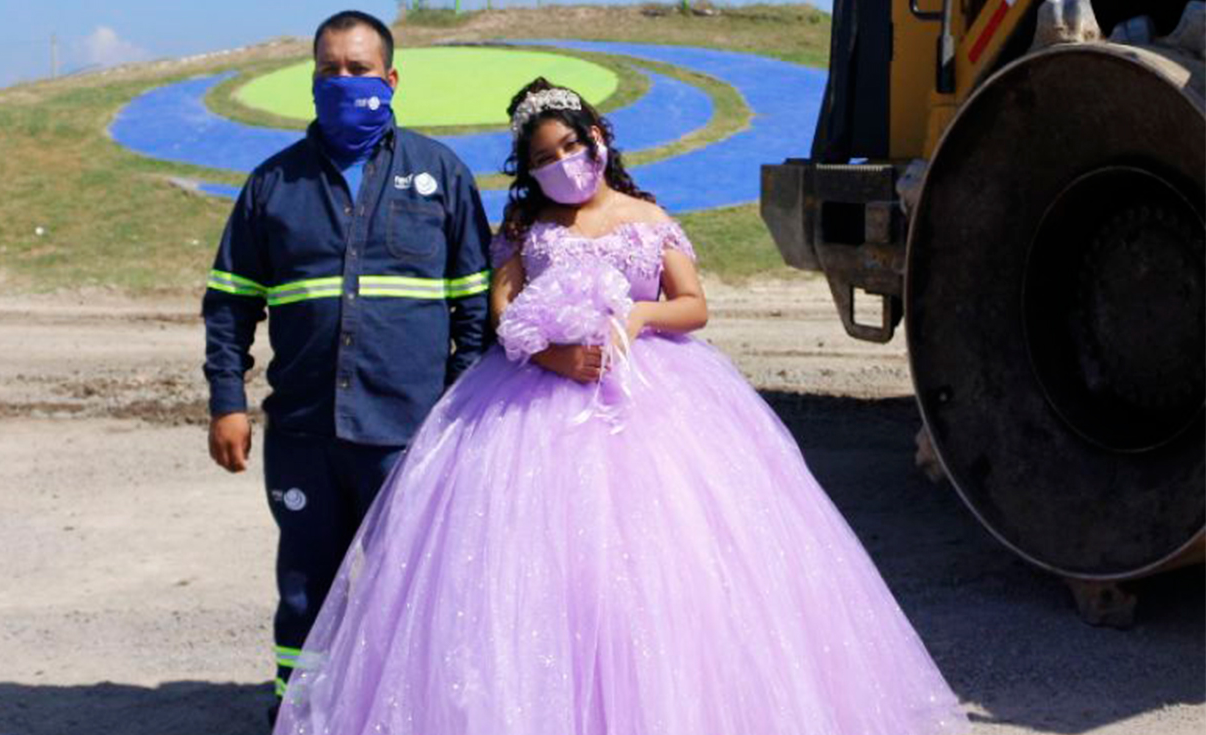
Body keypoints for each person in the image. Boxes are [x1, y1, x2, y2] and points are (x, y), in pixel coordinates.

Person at [272, 78, 969, 734]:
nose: (564, 163)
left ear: (599, 136)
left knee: (657, 574)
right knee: (529, 576)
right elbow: (502, 315)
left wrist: (637, 320)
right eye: (544, 157)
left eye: (571, 146)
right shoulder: (524, 226)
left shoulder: (648, 217)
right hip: (530, 410)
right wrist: (557, 355)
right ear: (529, 168)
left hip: (653, 400)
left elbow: (694, 305)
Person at [200, 10, 491, 713]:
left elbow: (476, 311)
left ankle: (405, 714)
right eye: (329, 70)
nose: (343, 81)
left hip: (410, 433)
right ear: (312, 80)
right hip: (304, 431)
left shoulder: (440, 175)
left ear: (390, 80)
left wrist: (455, 412)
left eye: (358, 70)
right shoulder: (274, 185)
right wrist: (226, 401)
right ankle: (299, 713)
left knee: (411, 583)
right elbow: (230, 303)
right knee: (307, 584)